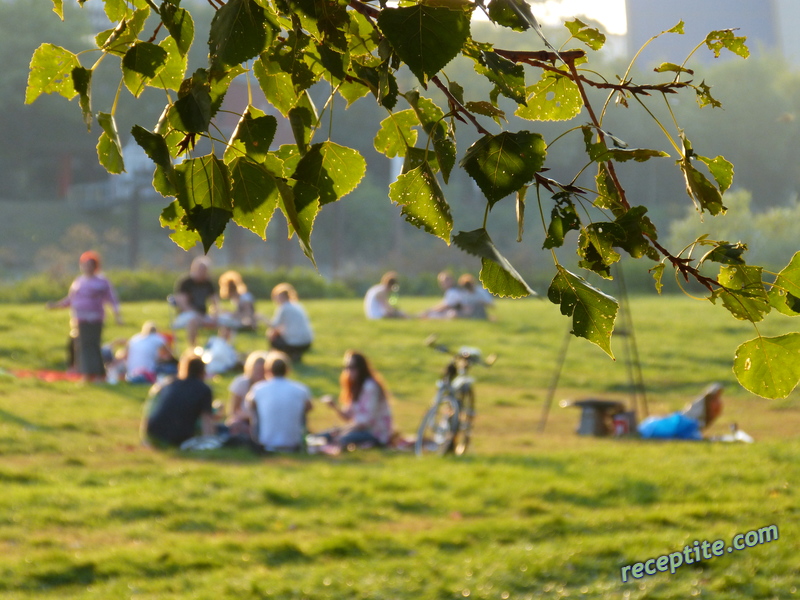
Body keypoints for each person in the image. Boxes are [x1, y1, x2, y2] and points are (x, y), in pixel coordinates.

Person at [47, 251, 122, 382]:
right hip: (79, 319)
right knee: (82, 346)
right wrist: (56, 305)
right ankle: (93, 374)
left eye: (89, 265)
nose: (86, 267)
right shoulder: (79, 281)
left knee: (89, 346)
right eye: (84, 265)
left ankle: (92, 375)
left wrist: (117, 315)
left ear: (95, 266)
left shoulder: (101, 282)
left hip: (93, 319)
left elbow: (112, 299)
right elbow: (71, 299)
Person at [319, 350, 394, 449]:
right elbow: (347, 416)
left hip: (376, 433)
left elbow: (366, 421)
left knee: (340, 439)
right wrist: (334, 406)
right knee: (324, 436)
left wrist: (344, 430)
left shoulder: (370, 387)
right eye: (346, 368)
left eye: (351, 367)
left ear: (361, 368)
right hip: (358, 429)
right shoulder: (354, 387)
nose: (348, 371)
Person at [142, 353, 215, 448]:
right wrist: (211, 440)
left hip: (154, 431)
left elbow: (151, 409)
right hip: (178, 435)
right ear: (202, 371)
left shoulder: (169, 383)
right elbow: (206, 420)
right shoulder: (204, 389)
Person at [246, 351, 313, 452]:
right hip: (293, 443)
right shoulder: (301, 389)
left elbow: (250, 405)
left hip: (265, 443)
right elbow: (309, 407)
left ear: (268, 370)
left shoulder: (258, 389)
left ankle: (258, 438)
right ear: (287, 370)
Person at [172, 257, 218, 347]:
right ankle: (193, 348)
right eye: (200, 270)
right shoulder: (186, 282)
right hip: (186, 315)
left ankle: (221, 348)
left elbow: (215, 302)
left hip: (203, 315)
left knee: (224, 320)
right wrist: (199, 316)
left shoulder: (208, 283)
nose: (203, 273)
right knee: (193, 320)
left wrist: (215, 315)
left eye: (205, 270)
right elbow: (183, 305)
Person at [225, 350, 270, 436]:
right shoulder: (241, 382)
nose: (259, 374)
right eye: (257, 370)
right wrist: (247, 416)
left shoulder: (268, 386)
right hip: (242, 419)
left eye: (262, 371)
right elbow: (232, 410)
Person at [267, 283, 313, 363]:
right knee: (277, 333)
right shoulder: (298, 305)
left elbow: (273, 325)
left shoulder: (283, 308)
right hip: (307, 342)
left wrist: (260, 318)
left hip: (294, 343)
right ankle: (295, 354)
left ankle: (279, 356)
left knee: (271, 334)